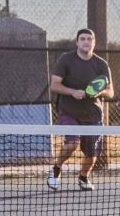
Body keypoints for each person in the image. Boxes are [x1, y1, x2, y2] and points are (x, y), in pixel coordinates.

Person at [47, 28, 113, 191]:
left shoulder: (101, 64)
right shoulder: (66, 60)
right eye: (82, 39)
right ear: (77, 42)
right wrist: (72, 92)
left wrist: (99, 92)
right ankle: (56, 170)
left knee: (91, 155)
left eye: (89, 39)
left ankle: (83, 178)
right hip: (69, 112)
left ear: (94, 42)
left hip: (93, 115)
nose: (86, 42)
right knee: (71, 143)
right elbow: (54, 85)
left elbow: (110, 92)